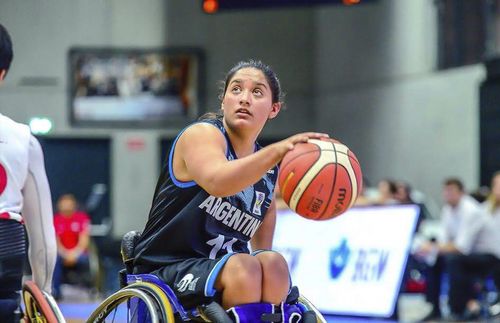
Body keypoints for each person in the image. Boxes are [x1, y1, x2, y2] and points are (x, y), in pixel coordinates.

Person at [132, 60, 329, 314]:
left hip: (228, 270)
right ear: (223, 100)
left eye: (257, 92)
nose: (244, 98)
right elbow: (219, 181)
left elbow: (261, 251)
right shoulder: (202, 135)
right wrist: (278, 149)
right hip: (167, 267)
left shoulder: (269, 173)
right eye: (236, 90)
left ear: (274, 109)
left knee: (273, 263)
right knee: (244, 269)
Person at [0, 23, 57, 322]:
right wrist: (43, 299)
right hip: (4, 244)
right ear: (3, 74)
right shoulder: (23, 139)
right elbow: (44, 240)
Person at [414, 178, 482, 321]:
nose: (447, 195)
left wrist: (434, 248)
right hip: (460, 252)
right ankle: (434, 307)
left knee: (453, 261)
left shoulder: (471, 210)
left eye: (451, 191)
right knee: (433, 259)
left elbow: (462, 246)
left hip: (482, 253)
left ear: (462, 193)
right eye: (446, 191)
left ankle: (456, 309)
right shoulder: (447, 209)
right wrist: (431, 249)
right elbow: (443, 240)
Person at [445, 172, 500, 319]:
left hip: (494, 255)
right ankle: (465, 305)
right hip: (484, 254)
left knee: (457, 261)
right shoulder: (486, 208)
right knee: (452, 261)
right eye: (495, 184)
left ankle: (462, 306)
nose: (497, 188)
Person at [52, 193, 91, 300]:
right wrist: (65, 254)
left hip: (79, 254)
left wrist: (74, 254)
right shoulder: (55, 219)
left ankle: (89, 291)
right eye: (64, 203)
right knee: (54, 260)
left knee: (85, 260)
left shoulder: (81, 218)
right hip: (61, 254)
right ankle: (56, 293)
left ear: (74, 204)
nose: (66, 205)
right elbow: (56, 241)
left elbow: (84, 239)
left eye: (69, 203)